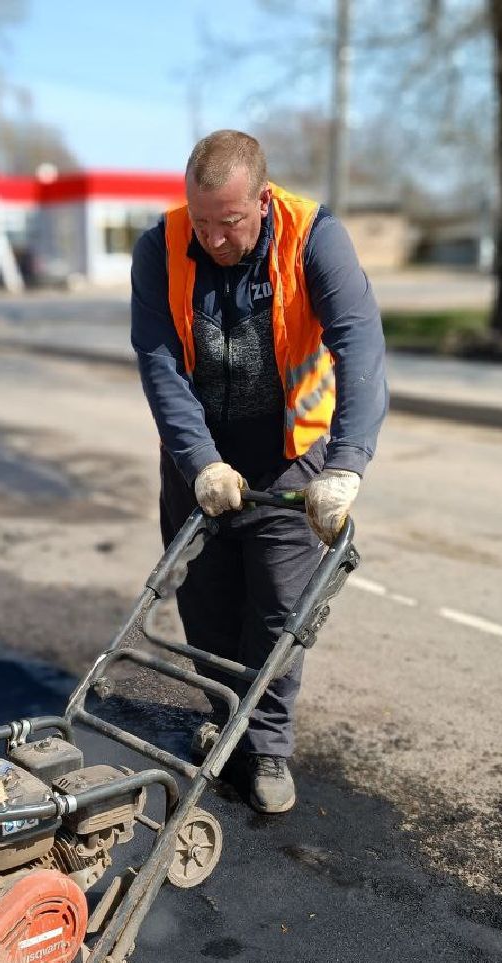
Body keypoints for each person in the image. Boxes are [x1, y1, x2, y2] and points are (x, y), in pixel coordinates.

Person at [131, 130, 388, 814]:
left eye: (231, 223)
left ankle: (268, 746)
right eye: (204, 221)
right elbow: (160, 368)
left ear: (263, 199)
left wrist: (347, 464)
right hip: (200, 462)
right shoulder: (159, 247)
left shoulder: (315, 238)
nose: (213, 239)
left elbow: (359, 342)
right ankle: (222, 716)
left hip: (286, 458)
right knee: (205, 602)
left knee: (277, 611)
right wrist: (199, 462)